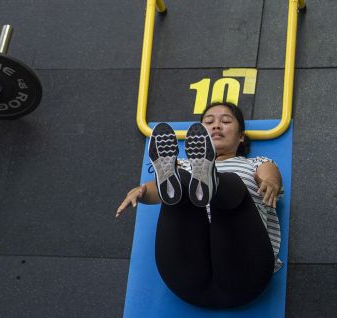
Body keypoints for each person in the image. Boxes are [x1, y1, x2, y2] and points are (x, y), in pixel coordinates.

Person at [116, 102, 283, 309]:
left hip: (245, 273)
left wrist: (270, 183)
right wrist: (141, 192)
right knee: (179, 182)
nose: (216, 126)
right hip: (187, 276)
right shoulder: (182, 166)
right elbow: (154, 191)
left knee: (231, 182)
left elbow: (271, 175)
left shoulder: (256, 163)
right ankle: (203, 181)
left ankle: (213, 182)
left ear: (241, 136)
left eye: (226, 121)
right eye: (209, 122)